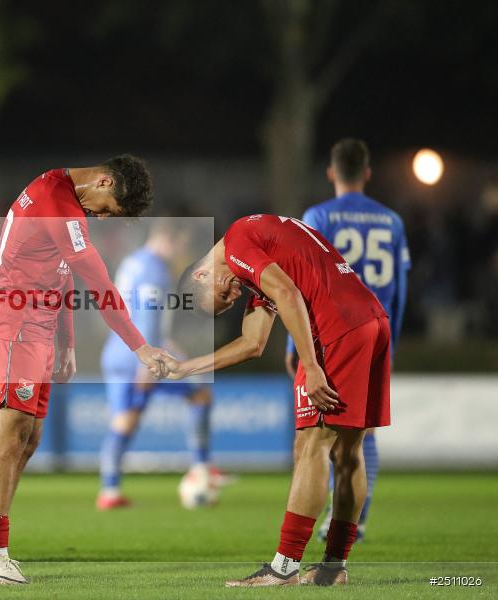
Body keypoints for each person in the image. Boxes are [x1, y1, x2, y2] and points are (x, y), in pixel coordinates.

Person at [158, 213, 390, 586]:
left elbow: (287, 293)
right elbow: (253, 343)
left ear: (201, 275)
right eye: (228, 302)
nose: (234, 296)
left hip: (336, 329)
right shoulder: (256, 247)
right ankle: (333, 567)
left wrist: (311, 365)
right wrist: (186, 368)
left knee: (311, 445)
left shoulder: (237, 245)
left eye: (223, 296)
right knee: (348, 452)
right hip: (371, 320)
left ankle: (283, 568)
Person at [0, 156, 164, 585]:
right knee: (11, 435)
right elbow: (94, 276)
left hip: (37, 326)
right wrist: (139, 345)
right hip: (12, 323)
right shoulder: (56, 198)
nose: (103, 215)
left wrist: (67, 340)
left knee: (29, 439)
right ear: (106, 180)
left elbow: (62, 272)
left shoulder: (69, 198)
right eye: (110, 208)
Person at [284, 139, 410, 542]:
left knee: (317, 436)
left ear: (331, 173)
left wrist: (294, 346)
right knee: (363, 433)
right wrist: (392, 341)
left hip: (332, 334)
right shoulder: (392, 221)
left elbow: (305, 281)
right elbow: (402, 288)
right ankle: (357, 522)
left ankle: (319, 526)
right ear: (367, 173)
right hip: (378, 331)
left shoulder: (318, 215)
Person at [97, 218, 220, 510]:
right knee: (200, 393)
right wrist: (147, 362)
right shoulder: (155, 269)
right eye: (182, 246)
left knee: (125, 420)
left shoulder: (132, 262)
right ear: (171, 239)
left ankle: (109, 491)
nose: (182, 253)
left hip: (117, 351)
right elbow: (149, 315)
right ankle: (202, 467)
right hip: (140, 356)